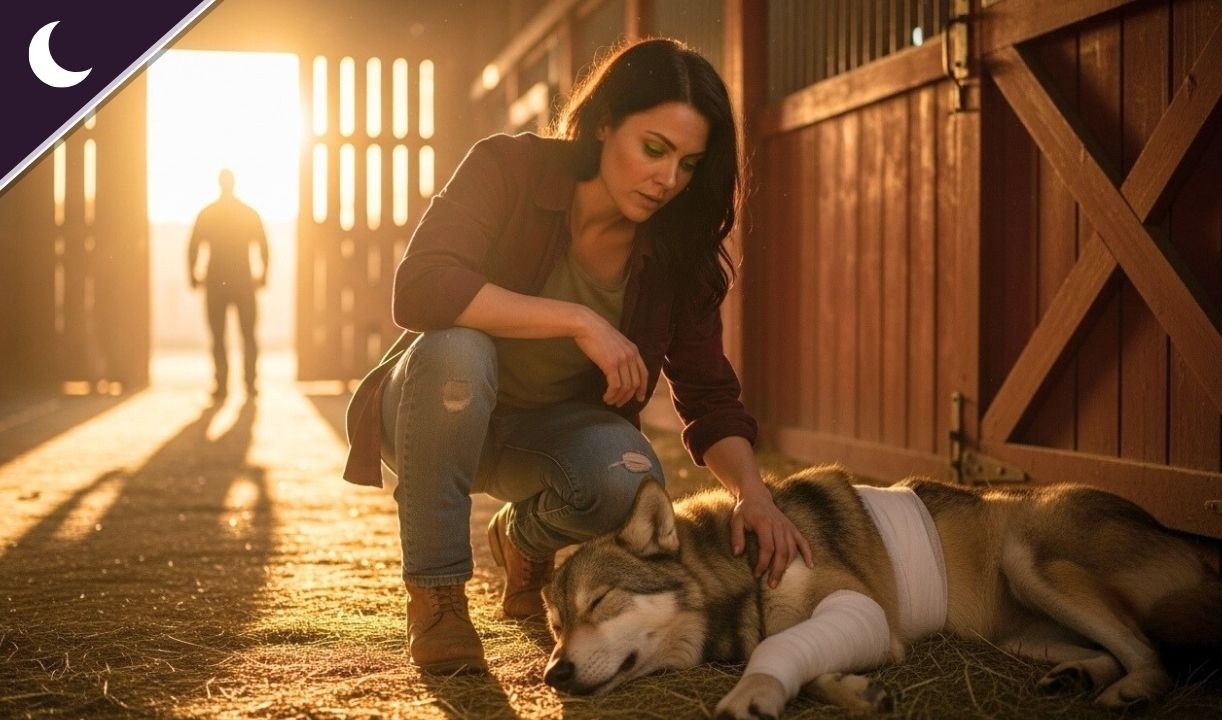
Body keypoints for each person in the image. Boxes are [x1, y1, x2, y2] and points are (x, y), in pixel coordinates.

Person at [342, 38, 813, 674]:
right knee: (457, 349)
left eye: (689, 163)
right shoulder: (507, 168)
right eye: (654, 149)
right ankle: (438, 598)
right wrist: (579, 319)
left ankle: (521, 539)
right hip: (434, 408)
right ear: (601, 124)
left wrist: (753, 492)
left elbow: (709, 396)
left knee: (626, 476)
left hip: (543, 440)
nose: (668, 179)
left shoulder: (679, 255)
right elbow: (421, 284)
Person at [187, 169, 269, 399]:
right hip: (243, 281)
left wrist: (193, 275)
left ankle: (222, 385)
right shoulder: (247, 213)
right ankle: (250, 384)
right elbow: (263, 245)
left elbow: (193, 246)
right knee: (248, 334)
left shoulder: (208, 213)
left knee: (219, 335)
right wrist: (264, 274)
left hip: (216, 282)